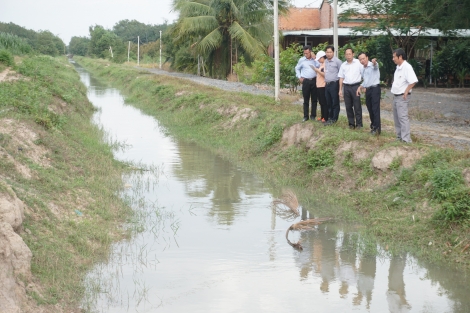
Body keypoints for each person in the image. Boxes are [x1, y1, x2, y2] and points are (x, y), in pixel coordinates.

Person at [391, 48, 418, 143]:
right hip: (396, 96)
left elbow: (413, 81)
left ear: (400, 57)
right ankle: (399, 137)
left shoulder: (407, 67)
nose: (393, 59)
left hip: (402, 96)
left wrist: (406, 91)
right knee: (397, 118)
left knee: (402, 118)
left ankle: (406, 139)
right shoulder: (398, 67)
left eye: (394, 57)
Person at [356, 52, 381, 135]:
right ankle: (373, 126)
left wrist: (374, 62)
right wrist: (360, 87)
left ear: (367, 58)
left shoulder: (372, 65)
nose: (362, 60)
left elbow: (375, 65)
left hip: (375, 89)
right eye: (360, 59)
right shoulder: (363, 69)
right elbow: (365, 81)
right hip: (368, 90)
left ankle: (376, 128)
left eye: (363, 58)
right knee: (370, 108)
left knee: (375, 109)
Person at [338, 48, 363, 129]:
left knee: (357, 106)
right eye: (347, 54)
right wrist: (340, 90)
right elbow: (341, 78)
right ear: (345, 55)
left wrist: (362, 86)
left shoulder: (358, 63)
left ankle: (359, 124)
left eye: (350, 54)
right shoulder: (343, 65)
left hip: (356, 86)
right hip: (346, 87)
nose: (348, 56)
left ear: (353, 54)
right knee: (348, 106)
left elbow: (364, 74)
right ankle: (351, 124)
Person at [295, 45, 320, 122]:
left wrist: (315, 59)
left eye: (307, 53)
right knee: (306, 99)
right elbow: (297, 68)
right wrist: (299, 77)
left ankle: (313, 116)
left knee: (314, 100)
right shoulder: (302, 60)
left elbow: (319, 66)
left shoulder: (315, 60)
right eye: (304, 53)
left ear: (311, 52)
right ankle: (306, 116)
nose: (306, 55)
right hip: (305, 81)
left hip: (314, 80)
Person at [323, 45, 342, 126]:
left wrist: (340, 88)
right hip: (327, 84)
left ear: (333, 52)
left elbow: (341, 74)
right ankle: (330, 118)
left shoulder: (337, 61)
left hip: (334, 84)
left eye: (330, 52)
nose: (328, 54)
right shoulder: (326, 61)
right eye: (327, 52)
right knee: (328, 102)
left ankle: (334, 119)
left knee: (335, 102)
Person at [313, 50, 328, 122]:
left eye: (319, 59)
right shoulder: (321, 65)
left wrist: (317, 71)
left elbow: (325, 75)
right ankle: (322, 117)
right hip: (318, 86)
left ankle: (325, 117)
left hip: (323, 86)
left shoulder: (325, 64)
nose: (318, 60)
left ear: (322, 57)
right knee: (321, 102)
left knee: (324, 102)